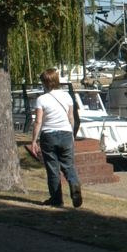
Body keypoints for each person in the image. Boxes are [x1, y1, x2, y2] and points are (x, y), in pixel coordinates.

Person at [31, 68, 83, 208]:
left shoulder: (41, 99)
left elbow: (38, 122)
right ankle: (74, 184)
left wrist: (34, 140)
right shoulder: (67, 96)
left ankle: (56, 199)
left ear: (45, 83)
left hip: (48, 135)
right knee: (68, 165)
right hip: (66, 133)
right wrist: (71, 134)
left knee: (52, 169)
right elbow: (71, 117)